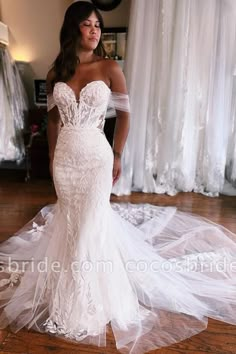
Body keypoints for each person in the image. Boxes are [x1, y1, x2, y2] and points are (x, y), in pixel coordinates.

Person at [0, 2, 236, 354]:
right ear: (72, 29)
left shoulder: (110, 67)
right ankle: (66, 289)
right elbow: (52, 121)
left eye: (98, 25)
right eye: (87, 24)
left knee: (91, 223)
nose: (94, 30)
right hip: (65, 158)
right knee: (71, 221)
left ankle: (87, 299)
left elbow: (124, 117)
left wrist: (118, 153)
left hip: (95, 157)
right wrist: (51, 157)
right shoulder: (56, 71)